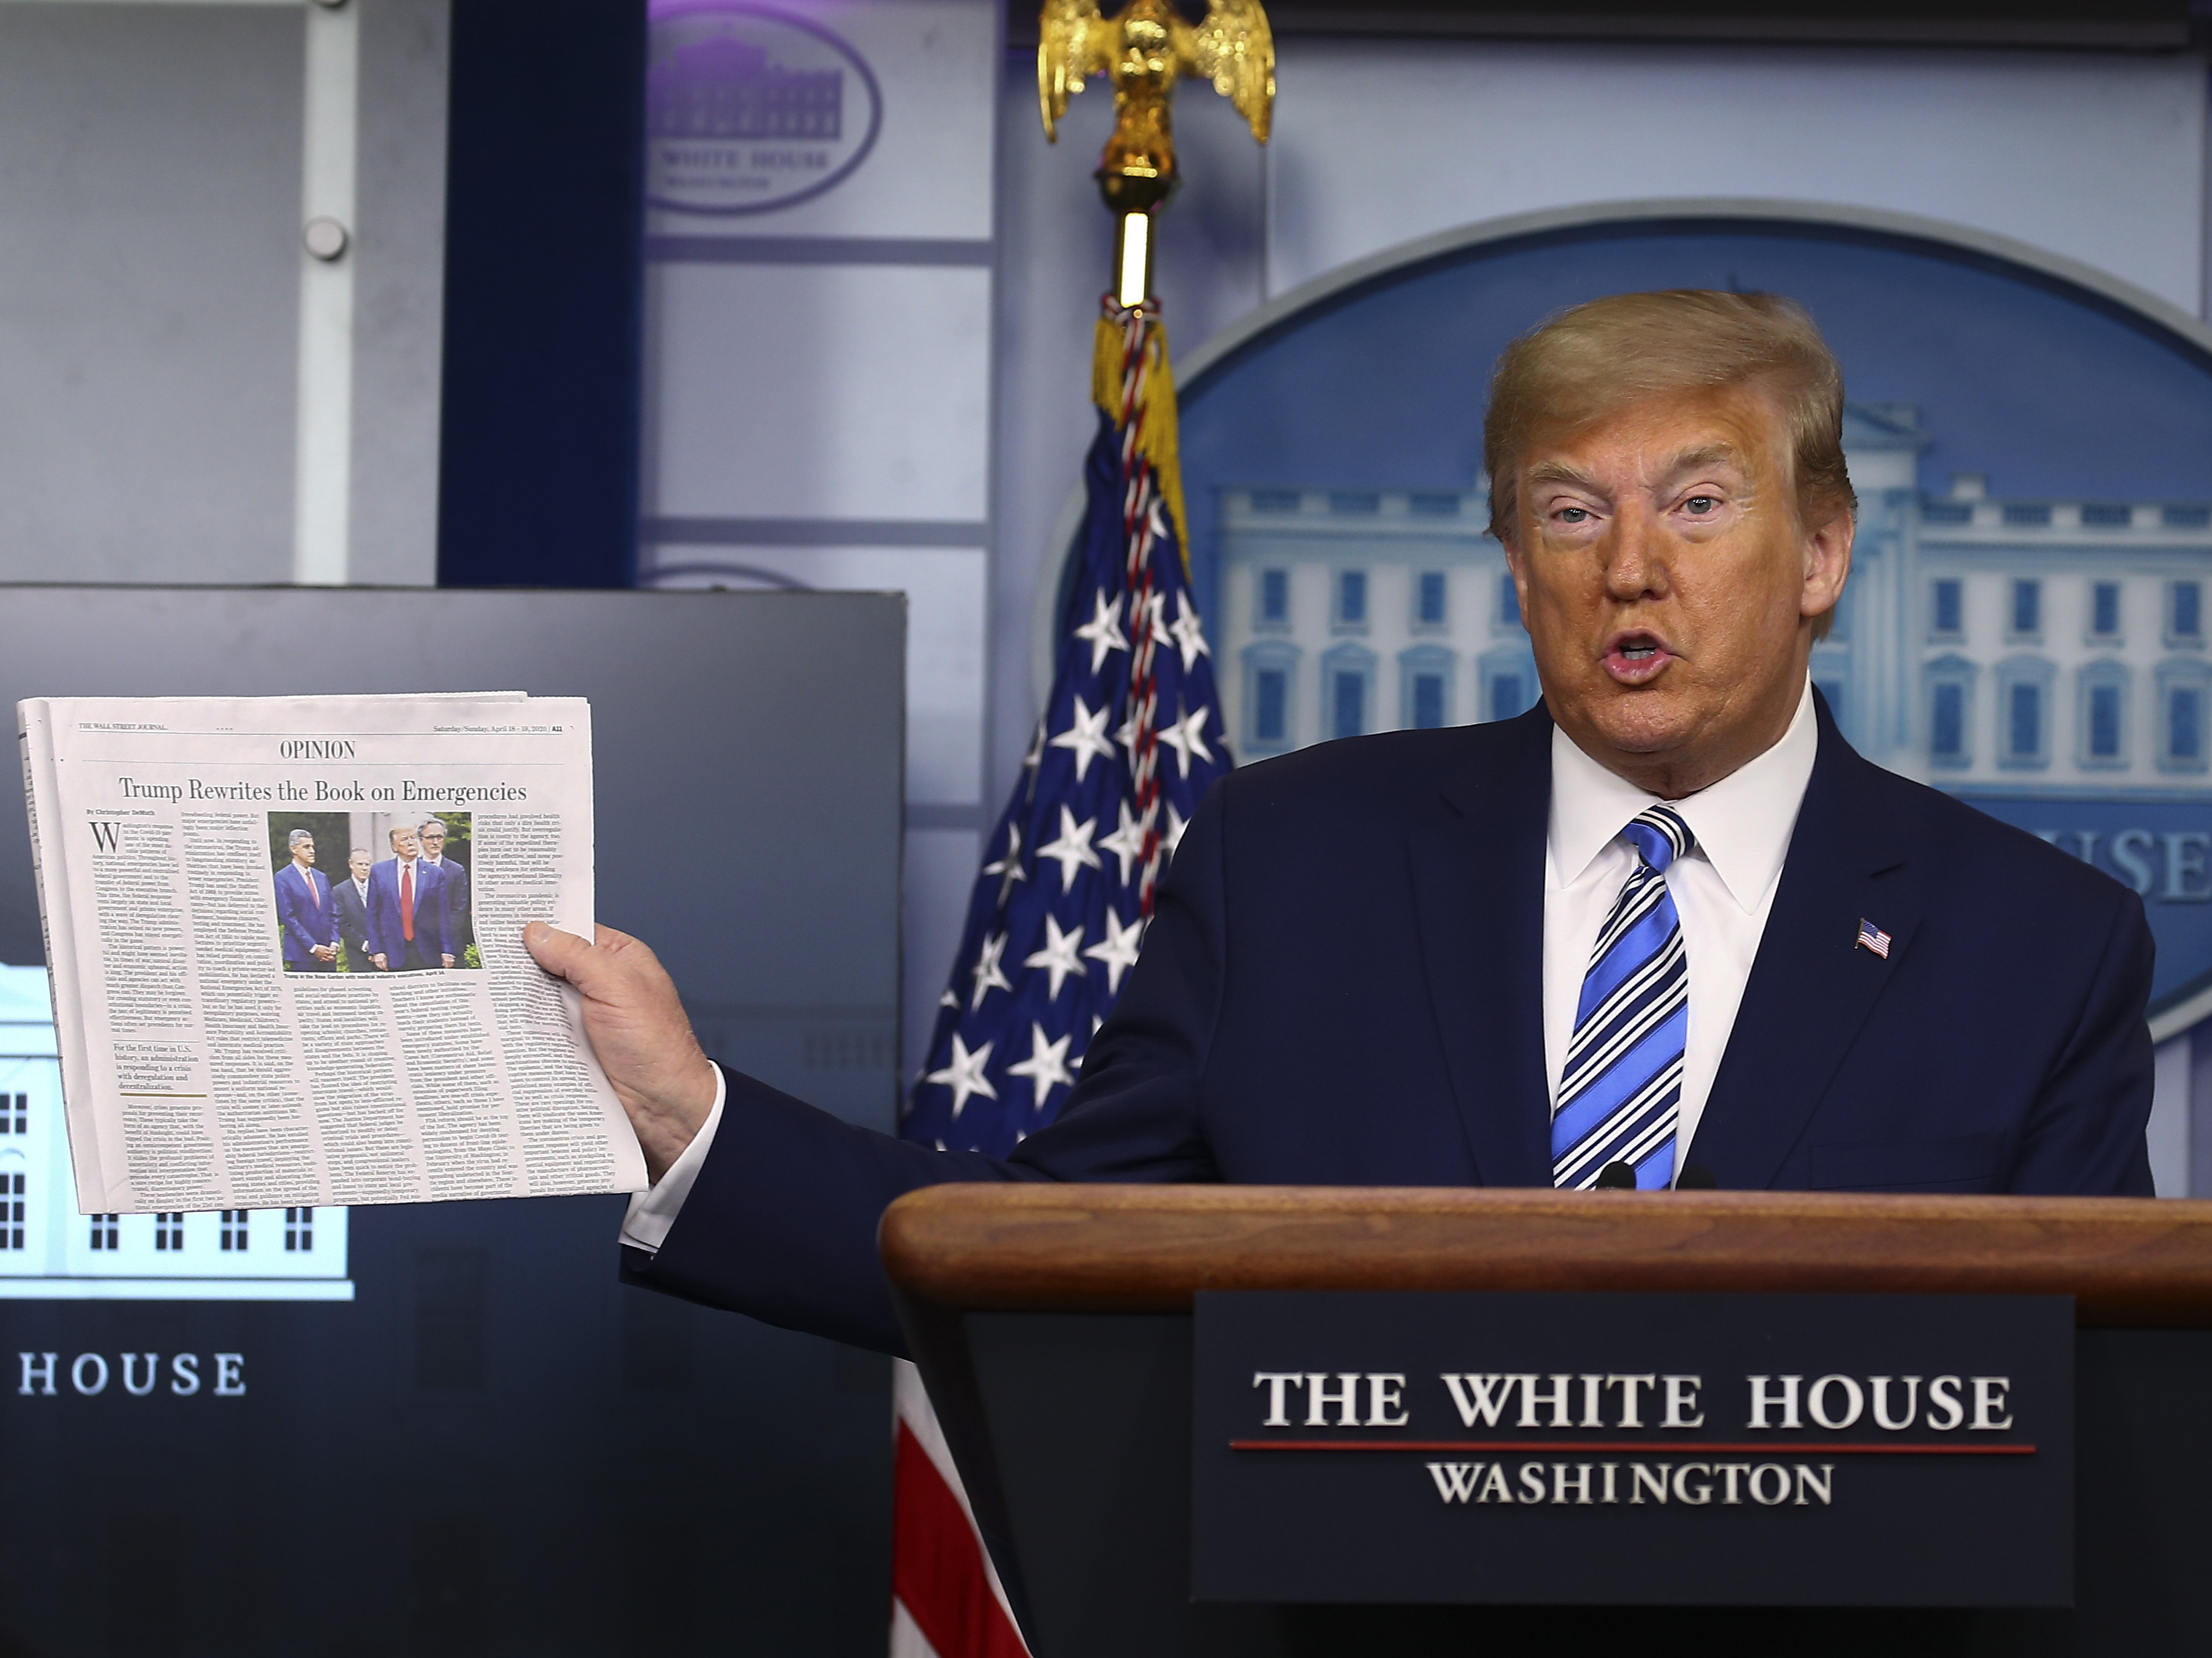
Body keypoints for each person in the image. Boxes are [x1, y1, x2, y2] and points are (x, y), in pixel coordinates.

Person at [525, 290, 2156, 1358]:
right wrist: (692, 1116)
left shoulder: (2034, 944)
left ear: (1820, 556)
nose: (1630, 567)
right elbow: (1031, 1256)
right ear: (1518, 567)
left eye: (1700, 504)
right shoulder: (1293, 863)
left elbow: (2109, 1412)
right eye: (1570, 513)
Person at [366, 824, 455, 972]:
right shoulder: (379, 871)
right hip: (391, 950)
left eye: (413, 838)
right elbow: (372, 914)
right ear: (394, 847)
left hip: (428, 950)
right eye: (405, 840)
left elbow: (443, 915)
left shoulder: (435, 873)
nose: (411, 843)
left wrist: (447, 950)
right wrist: (376, 950)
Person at [273, 829, 337, 972]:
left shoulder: (321, 877)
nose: (312, 851)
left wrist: (334, 943)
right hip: (302, 956)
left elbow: (333, 913)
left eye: (313, 847)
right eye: (306, 847)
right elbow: (289, 918)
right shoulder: (283, 878)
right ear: (294, 849)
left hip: (329, 955)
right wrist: (314, 947)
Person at [418, 819, 471, 960]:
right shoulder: (411, 869)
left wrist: (442, 938)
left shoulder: (456, 870)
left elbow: (460, 909)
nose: (435, 842)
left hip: (449, 945)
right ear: (421, 840)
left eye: (439, 837)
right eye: (430, 837)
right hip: (417, 946)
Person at [334, 848, 372, 973]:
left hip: (383, 954)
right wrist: (364, 944)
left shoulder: (379, 887)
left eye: (367, 864)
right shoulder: (340, 891)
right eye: (360, 864)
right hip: (357, 954)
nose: (364, 868)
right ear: (351, 864)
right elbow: (341, 924)